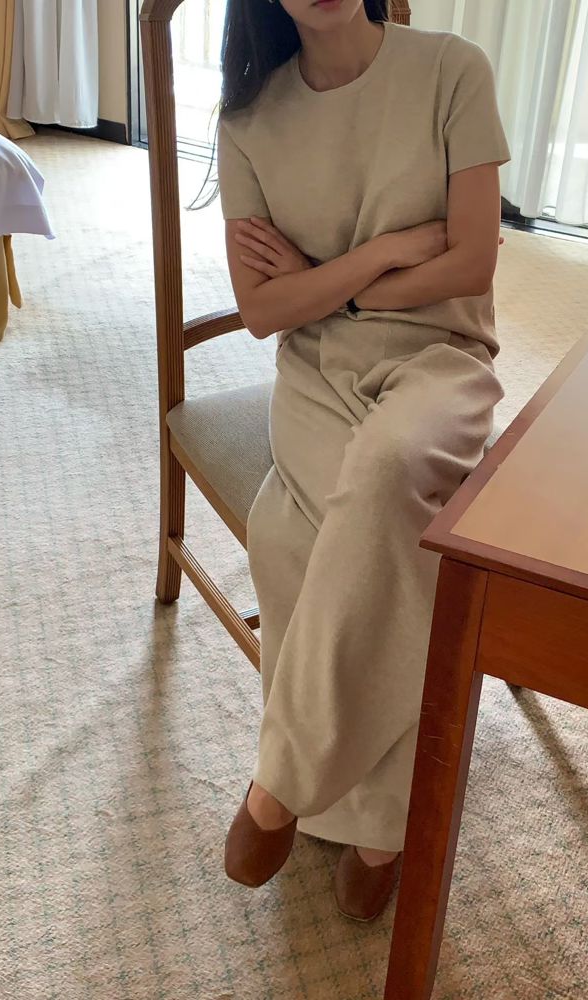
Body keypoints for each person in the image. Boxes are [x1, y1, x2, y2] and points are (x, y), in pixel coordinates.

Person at [216, 0, 509, 921]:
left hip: (443, 359)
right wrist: (380, 255)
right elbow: (263, 311)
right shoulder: (248, 119)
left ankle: (283, 784)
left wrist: (325, 280)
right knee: (316, 541)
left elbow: (471, 264)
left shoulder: (452, 69)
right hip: (316, 368)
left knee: (384, 479)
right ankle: (380, 825)